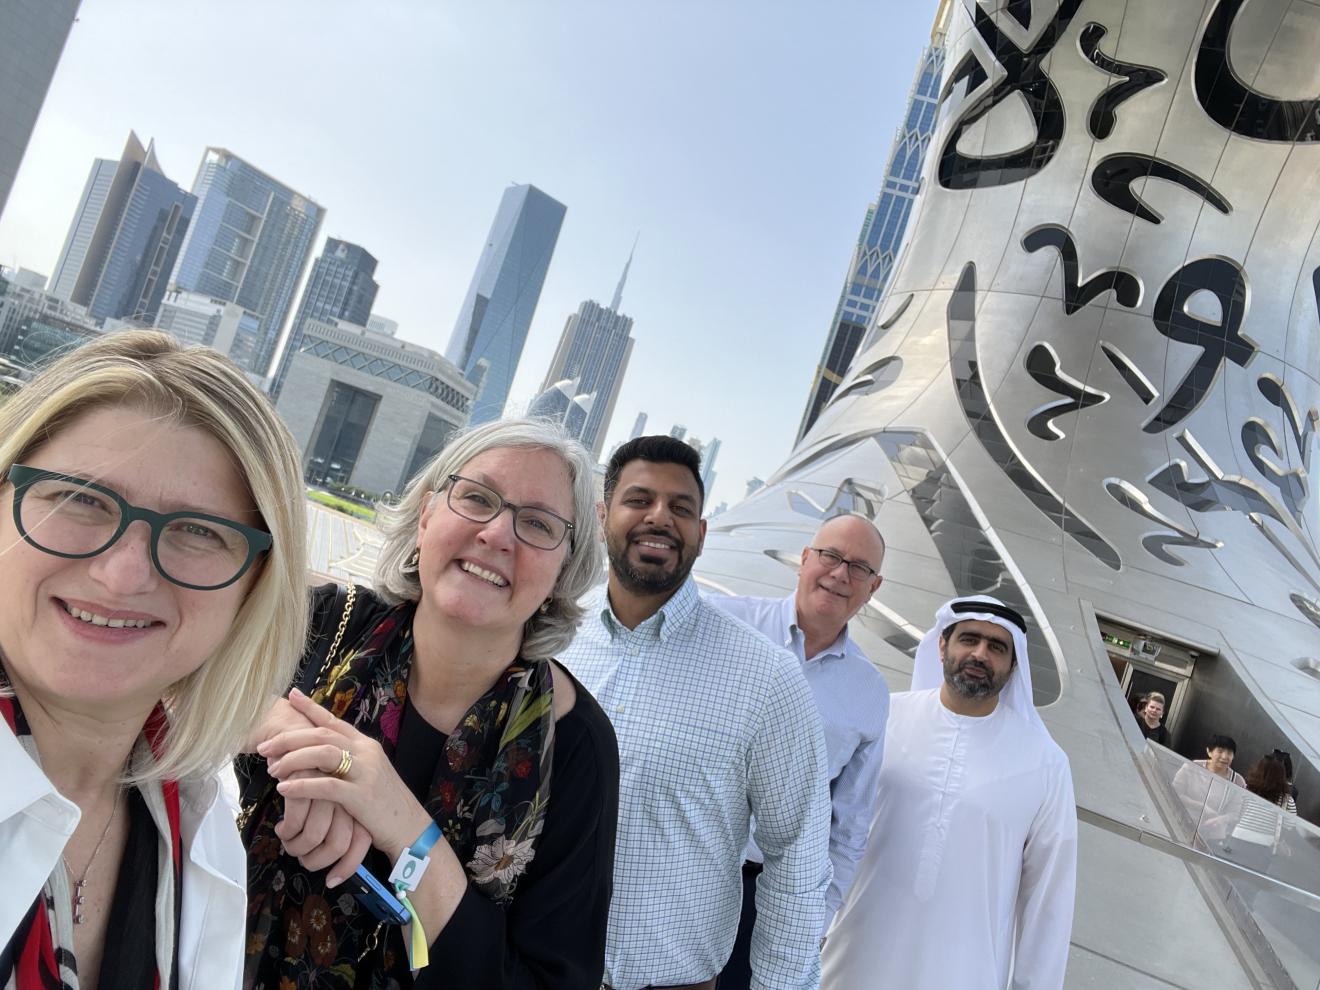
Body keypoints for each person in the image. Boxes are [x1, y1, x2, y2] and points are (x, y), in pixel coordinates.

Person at [241, 419, 619, 989]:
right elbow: (173, 682)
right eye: (477, 497)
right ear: (425, 514)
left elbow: (552, 978)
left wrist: (402, 823)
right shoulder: (323, 623)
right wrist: (286, 731)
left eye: (538, 523)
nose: (497, 534)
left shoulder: (575, 744)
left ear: (563, 572)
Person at [0, 330, 308, 988]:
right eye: (81, 496)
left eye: (198, 530)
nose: (121, 574)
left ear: (253, 588)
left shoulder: (198, 818)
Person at [560, 435, 831, 990]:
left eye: (681, 507)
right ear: (601, 515)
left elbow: (797, 855)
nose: (660, 517)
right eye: (639, 500)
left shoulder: (766, 678)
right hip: (523, 968)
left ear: (702, 534)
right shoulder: (549, 637)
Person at [822, 595, 1078, 990]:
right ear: (942, 646)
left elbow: (1049, 899)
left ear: (1013, 665)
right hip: (852, 958)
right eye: (969, 639)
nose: (980, 654)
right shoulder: (884, 717)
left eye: (997, 647)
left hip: (967, 973)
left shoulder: (1045, 763)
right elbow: (827, 831)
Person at [708, 514, 890, 990]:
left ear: (874, 587)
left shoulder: (869, 692)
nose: (839, 574)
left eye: (858, 567)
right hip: (681, 861)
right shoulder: (725, 625)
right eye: (830, 555)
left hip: (766, 899)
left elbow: (849, 822)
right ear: (804, 559)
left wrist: (816, 916)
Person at [1225, 753, 1297, 874]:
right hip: (1264, 847)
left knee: (1228, 878)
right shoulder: (1286, 799)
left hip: (1237, 838)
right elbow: (1290, 825)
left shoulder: (1246, 790)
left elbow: (1235, 813)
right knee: (1250, 884)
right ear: (1282, 776)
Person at [1171, 734, 1247, 841]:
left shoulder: (1238, 781)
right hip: (1182, 824)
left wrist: (1221, 820)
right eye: (1220, 751)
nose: (1225, 756)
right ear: (1209, 752)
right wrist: (1201, 807)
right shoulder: (1192, 767)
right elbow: (1174, 793)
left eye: (1229, 753)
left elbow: (1235, 813)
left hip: (1212, 836)